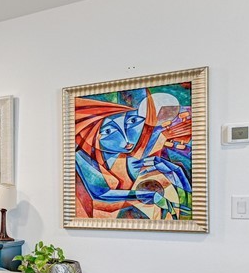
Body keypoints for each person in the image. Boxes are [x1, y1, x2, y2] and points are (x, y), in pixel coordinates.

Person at [73, 87, 192, 221]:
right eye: (108, 131)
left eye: (132, 121)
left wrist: (179, 175)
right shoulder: (82, 157)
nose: (126, 139)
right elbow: (101, 194)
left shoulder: (128, 154)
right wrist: (148, 195)